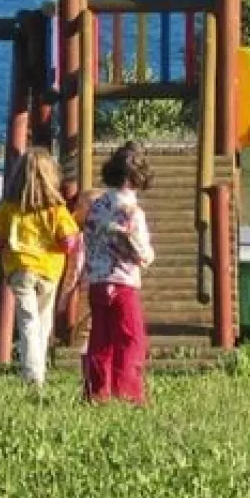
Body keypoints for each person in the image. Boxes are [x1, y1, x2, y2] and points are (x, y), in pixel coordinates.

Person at [0, 148, 81, 387]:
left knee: (27, 320)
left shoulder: (10, 207)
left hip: (20, 268)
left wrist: (7, 249)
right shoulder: (56, 210)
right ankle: (38, 368)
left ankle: (32, 373)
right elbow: (70, 241)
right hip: (49, 270)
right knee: (43, 320)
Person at [79, 141, 155, 405]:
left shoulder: (97, 206)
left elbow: (87, 236)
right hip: (124, 283)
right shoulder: (132, 212)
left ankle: (97, 391)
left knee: (100, 338)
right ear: (138, 179)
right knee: (130, 338)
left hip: (98, 281)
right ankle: (127, 393)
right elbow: (140, 250)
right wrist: (146, 256)